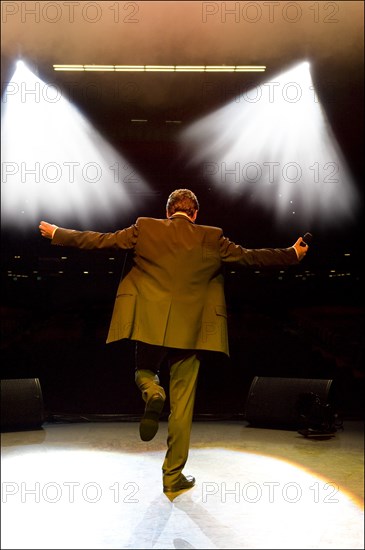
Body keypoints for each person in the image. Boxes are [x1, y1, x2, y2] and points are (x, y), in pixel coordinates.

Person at [39, 188, 308, 496]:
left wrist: (59, 233)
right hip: (193, 330)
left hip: (151, 324)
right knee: (183, 406)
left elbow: (101, 240)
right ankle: (172, 476)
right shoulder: (212, 236)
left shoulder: (145, 227)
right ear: (195, 214)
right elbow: (251, 257)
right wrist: (291, 254)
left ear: (168, 211)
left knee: (144, 370)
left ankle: (152, 391)